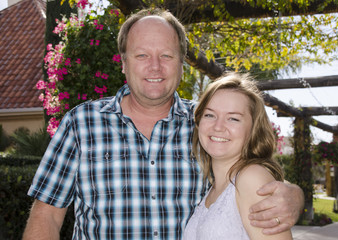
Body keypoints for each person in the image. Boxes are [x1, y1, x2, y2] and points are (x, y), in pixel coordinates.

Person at [23, 8, 303, 239]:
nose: (155, 67)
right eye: (142, 55)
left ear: (182, 64)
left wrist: (293, 195)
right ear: (123, 63)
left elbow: (249, 174)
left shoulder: (205, 124)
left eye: (166, 56)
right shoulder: (80, 123)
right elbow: (46, 215)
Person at [183, 72, 293, 239]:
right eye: (210, 115)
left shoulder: (251, 178)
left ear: (253, 129)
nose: (218, 127)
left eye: (233, 118)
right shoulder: (213, 189)